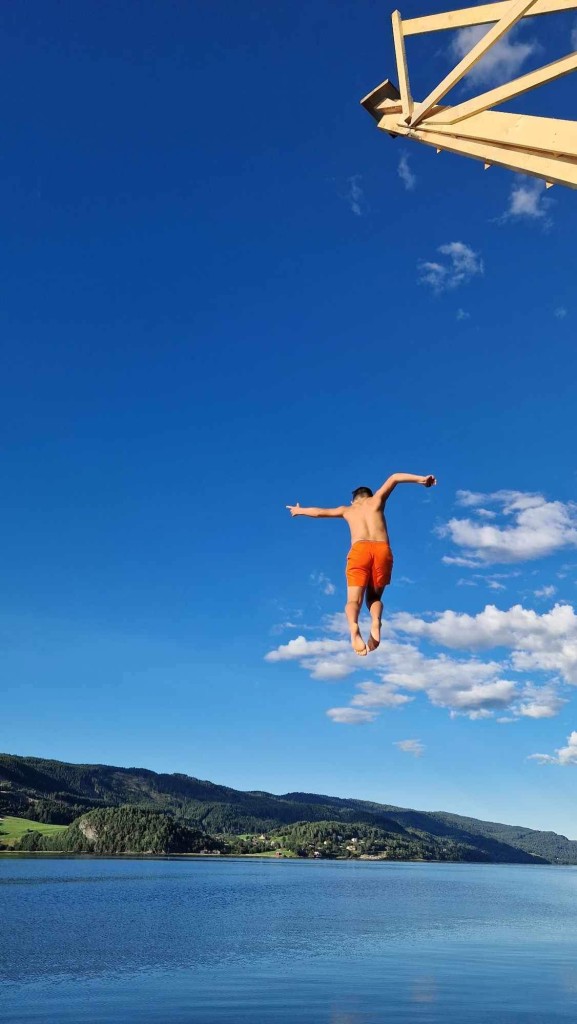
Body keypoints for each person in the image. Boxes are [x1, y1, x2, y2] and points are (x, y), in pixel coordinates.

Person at [287, 473, 436, 657]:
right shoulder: (377, 500)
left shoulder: (347, 510)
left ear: (353, 500)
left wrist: (299, 510)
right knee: (373, 598)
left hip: (359, 551)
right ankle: (376, 621)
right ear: (369, 496)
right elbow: (395, 478)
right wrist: (421, 479)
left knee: (353, 601)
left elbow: (320, 512)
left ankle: (353, 626)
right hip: (382, 549)